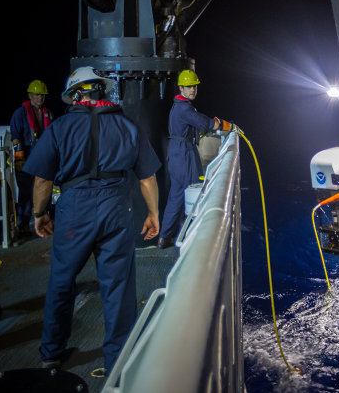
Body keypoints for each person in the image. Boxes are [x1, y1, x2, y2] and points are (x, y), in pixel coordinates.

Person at [23, 66, 161, 375]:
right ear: (101, 91)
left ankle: (52, 353)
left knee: (61, 281)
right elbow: (148, 179)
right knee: (118, 286)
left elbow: (43, 182)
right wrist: (153, 214)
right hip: (116, 210)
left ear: (75, 95)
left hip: (74, 212)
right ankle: (118, 359)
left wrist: (39, 214)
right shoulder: (128, 126)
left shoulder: (59, 128)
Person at [158, 69, 233, 249]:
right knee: (195, 192)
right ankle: (191, 236)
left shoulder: (177, 106)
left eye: (195, 86)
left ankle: (165, 237)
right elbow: (207, 123)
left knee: (176, 194)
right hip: (185, 153)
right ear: (181, 88)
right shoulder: (184, 109)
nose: (193, 89)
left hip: (176, 151)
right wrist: (228, 126)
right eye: (189, 86)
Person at [9, 79, 54, 235]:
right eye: (37, 95)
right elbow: (16, 138)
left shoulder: (48, 113)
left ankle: (43, 221)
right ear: (30, 95)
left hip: (43, 159)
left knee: (44, 192)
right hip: (27, 159)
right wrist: (20, 159)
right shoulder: (20, 114)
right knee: (26, 193)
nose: (40, 98)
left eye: (42, 95)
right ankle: (22, 225)